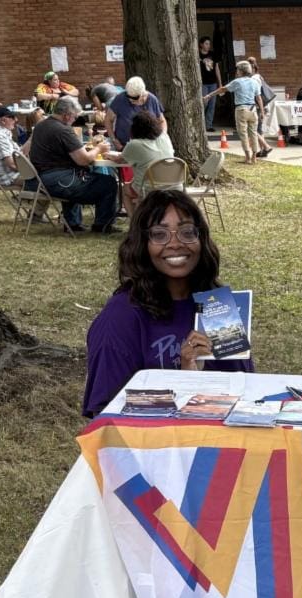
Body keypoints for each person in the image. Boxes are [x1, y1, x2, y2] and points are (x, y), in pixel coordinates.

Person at [82, 190, 254, 418]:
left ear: (200, 238)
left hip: (218, 439)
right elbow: (108, 412)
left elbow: (245, 391)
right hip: (150, 447)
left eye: (186, 232)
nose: (175, 244)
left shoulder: (216, 304)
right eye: (160, 235)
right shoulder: (120, 317)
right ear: (142, 244)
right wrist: (184, 379)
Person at [25, 96, 120, 233]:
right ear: (67, 115)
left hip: (39, 179)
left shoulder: (41, 125)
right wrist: (99, 148)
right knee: (108, 183)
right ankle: (102, 225)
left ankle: (73, 224)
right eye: (75, 117)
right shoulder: (63, 130)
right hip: (58, 181)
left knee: (78, 174)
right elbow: (83, 159)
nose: (75, 120)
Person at [117, 111, 176, 214]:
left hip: (149, 189)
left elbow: (120, 159)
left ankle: (134, 222)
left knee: (124, 190)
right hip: (174, 186)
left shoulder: (135, 144)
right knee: (134, 184)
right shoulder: (165, 137)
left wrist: (108, 154)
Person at [214, 60, 264, 164]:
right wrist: (262, 112)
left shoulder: (237, 82)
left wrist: (209, 95)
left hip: (241, 110)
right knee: (254, 133)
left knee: (243, 134)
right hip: (253, 110)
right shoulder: (254, 82)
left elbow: (223, 89)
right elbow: (259, 98)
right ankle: (254, 156)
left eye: (237, 69)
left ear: (241, 71)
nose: (236, 71)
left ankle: (247, 157)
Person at [106, 77, 167, 151]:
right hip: (124, 146)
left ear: (143, 94)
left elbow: (162, 121)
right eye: (128, 96)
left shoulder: (152, 100)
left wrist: (162, 137)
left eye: (134, 98)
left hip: (149, 147)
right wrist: (114, 140)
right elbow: (108, 120)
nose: (130, 100)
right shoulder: (120, 99)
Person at [246, 56, 275, 157]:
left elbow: (257, 95)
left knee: (252, 129)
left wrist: (261, 110)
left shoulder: (254, 79)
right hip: (262, 106)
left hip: (257, 107)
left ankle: (266, 147)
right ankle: (263, 150)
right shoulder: (259, 76)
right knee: (259, 129)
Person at [198, 36, 222, 131]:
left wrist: (220, 83)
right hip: (203, 83)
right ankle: (200, 123)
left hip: (213, 83)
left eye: (209, 44)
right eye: (206, 44)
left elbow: (216, 68)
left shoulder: (212, 54)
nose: (208, 46)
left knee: (212, 104)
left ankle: (209, 125)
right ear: (201, 44)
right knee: (204, 103)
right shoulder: (197, 55)